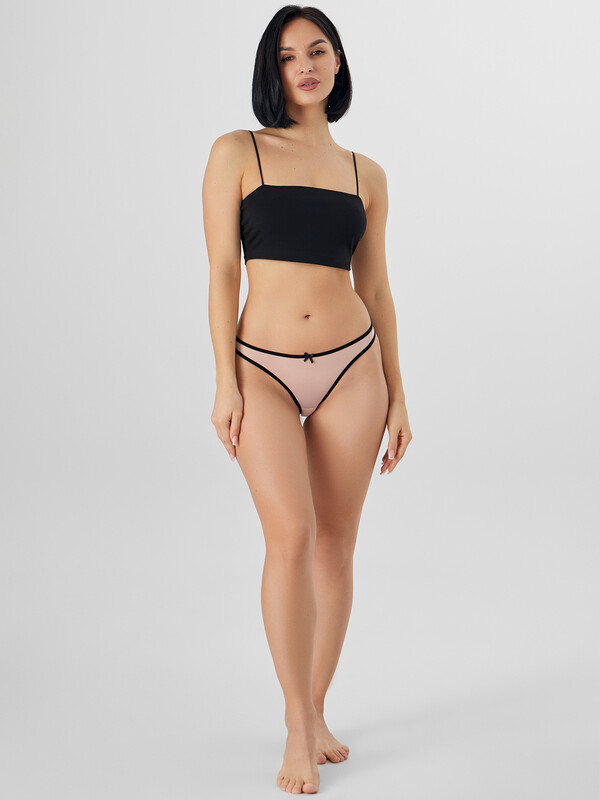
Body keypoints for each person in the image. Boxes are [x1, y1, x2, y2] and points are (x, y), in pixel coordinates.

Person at [202, 5, 412, 794]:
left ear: (337, 61)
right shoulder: (238, 152)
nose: (307, 66)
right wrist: (224, 380)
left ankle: (318, 710)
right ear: (274, 71)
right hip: (261, 367)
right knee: (290, 536)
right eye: (290, 56)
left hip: (354, 367)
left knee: (335, 546)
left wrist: (399, 393)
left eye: (318, 50)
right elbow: (223, 272)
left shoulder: (366, 174)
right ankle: (295, 724)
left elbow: (377, 289)